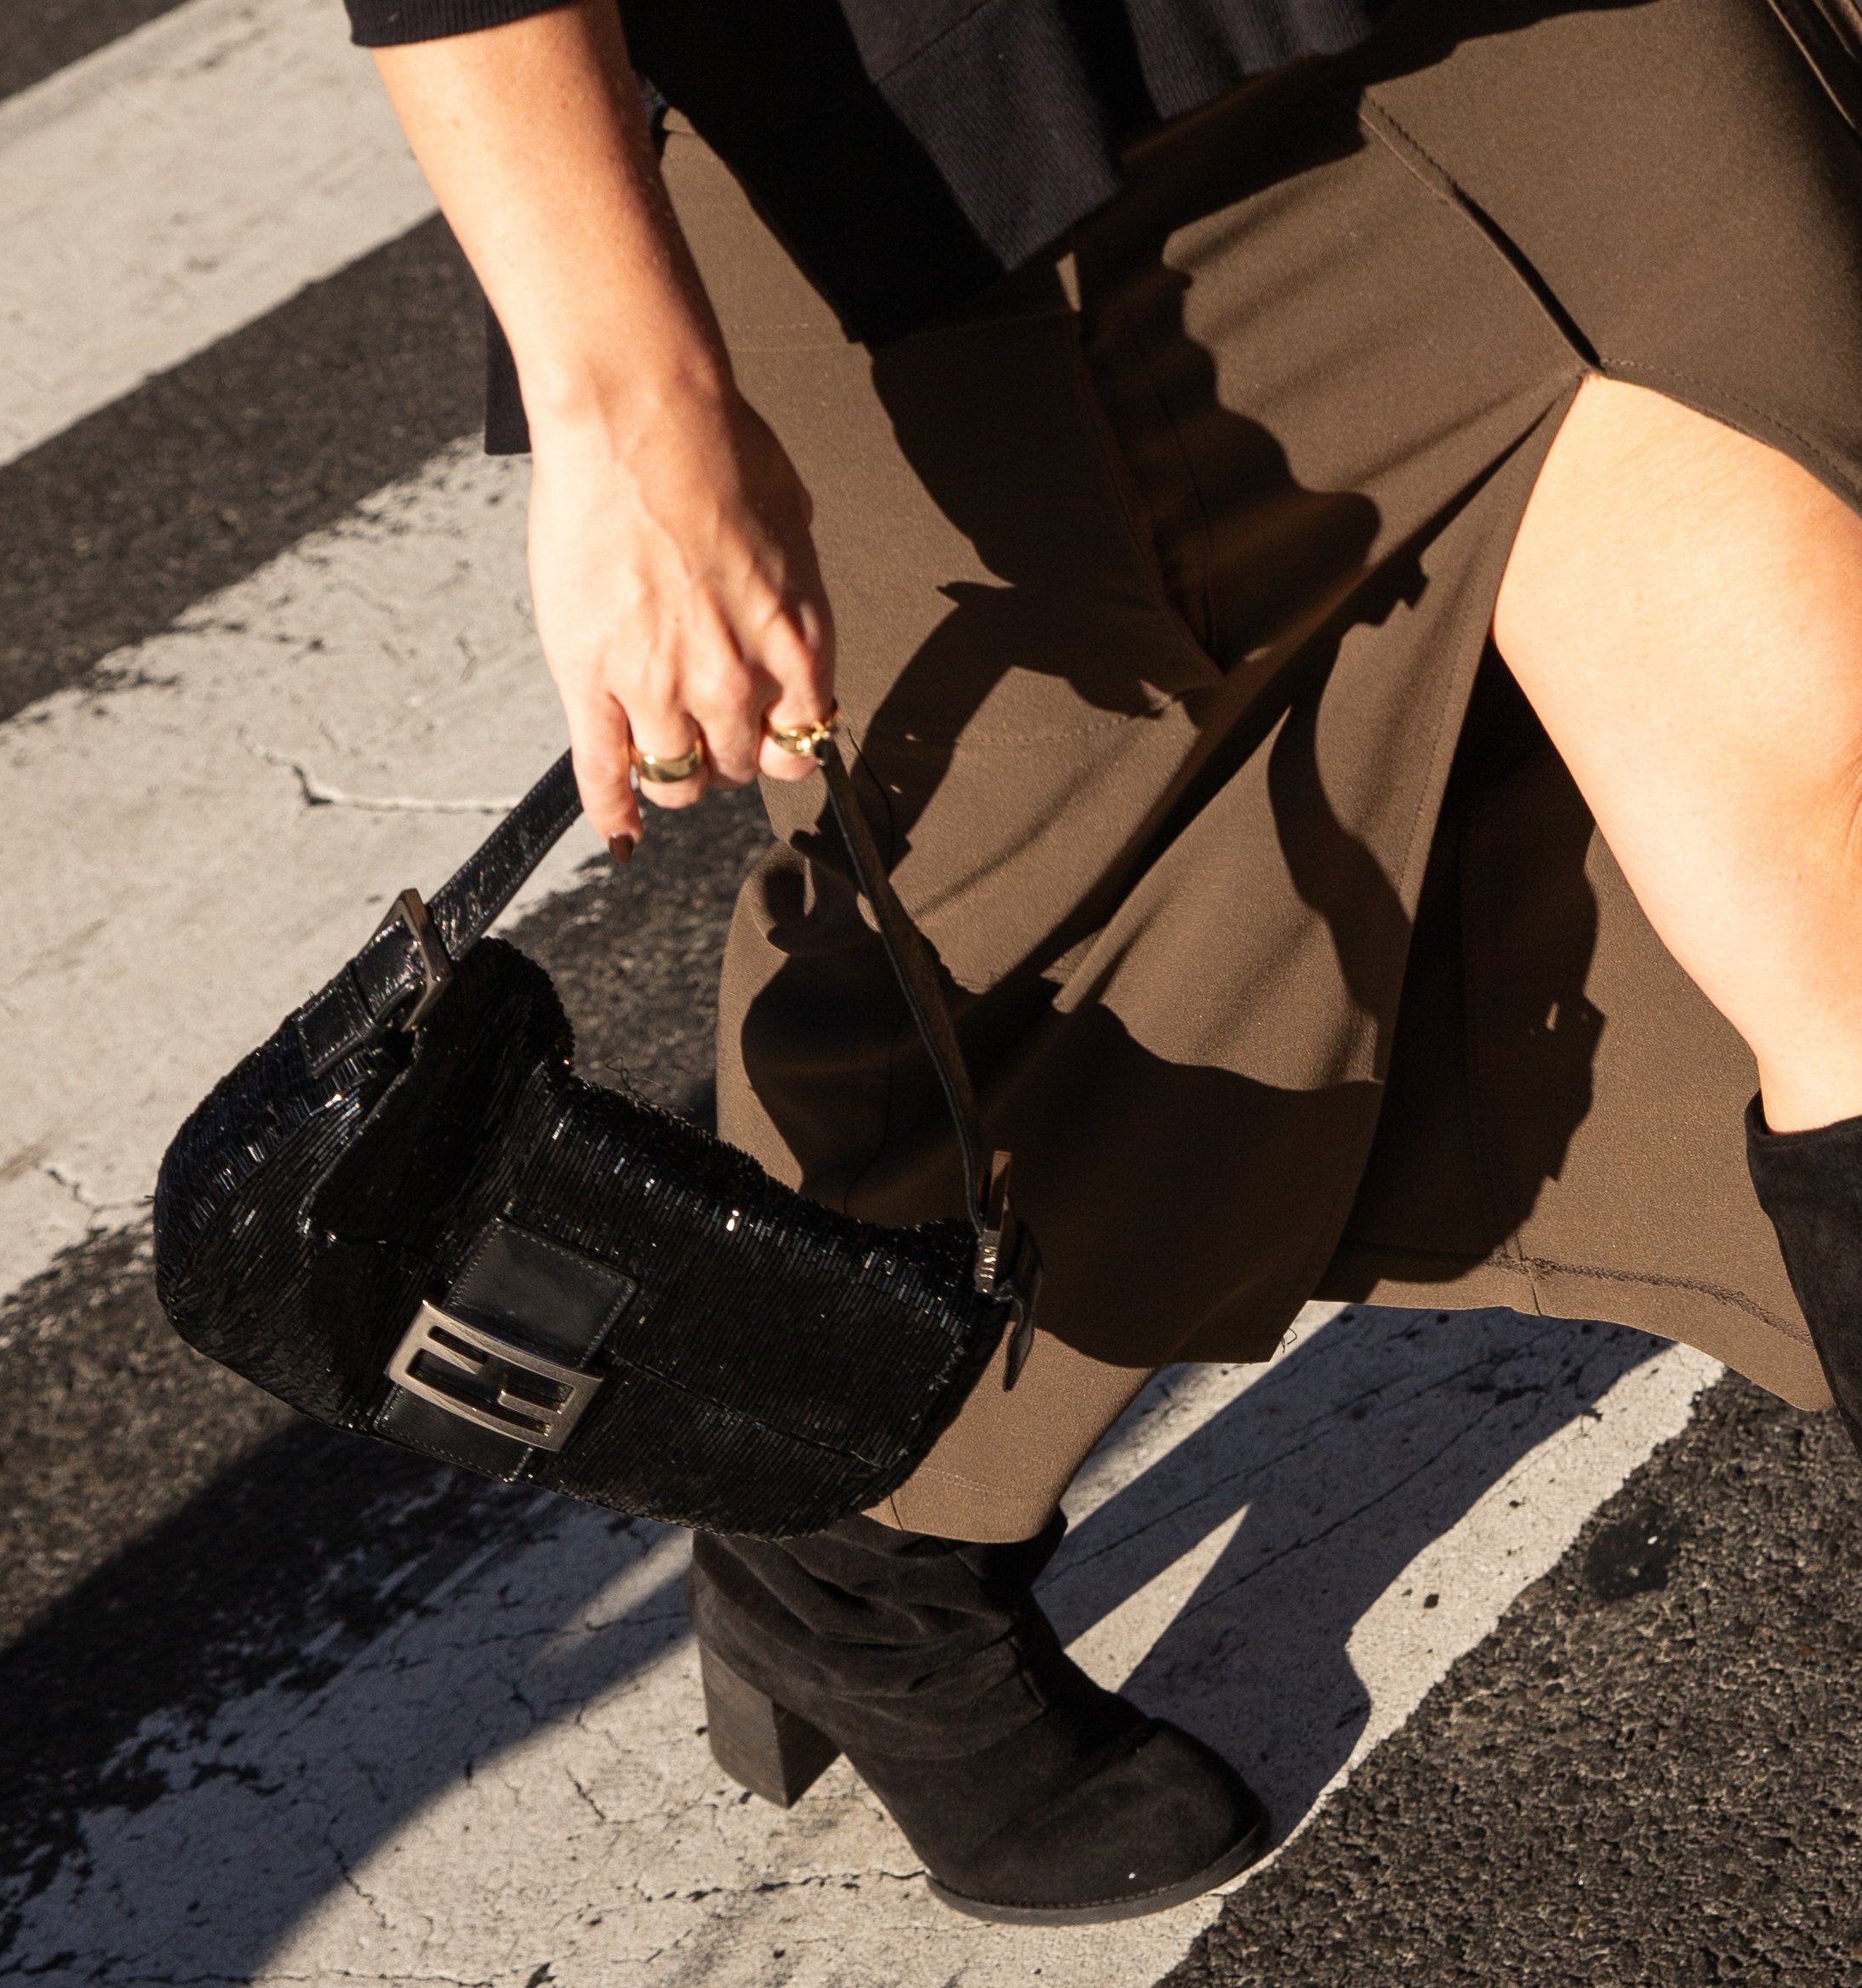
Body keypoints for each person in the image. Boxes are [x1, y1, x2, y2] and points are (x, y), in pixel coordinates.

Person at [351, 0, 1862, 1925]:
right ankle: (852, 1569)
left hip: (1557, 38)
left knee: (1826, 782)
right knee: (1070, 974)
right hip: (914, 107)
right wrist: (618, 399)